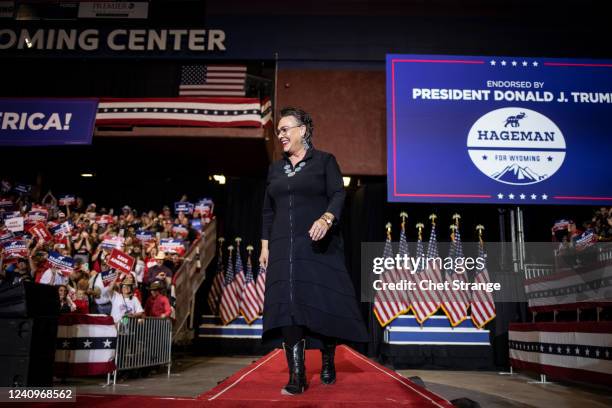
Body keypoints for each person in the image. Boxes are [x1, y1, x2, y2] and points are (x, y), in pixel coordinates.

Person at [259, 107, 368, 395]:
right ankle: (297, 376)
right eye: (278, 131)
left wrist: (326, 219)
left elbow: (338, 194)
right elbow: (268, 210)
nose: (280, 135)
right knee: (288, 305)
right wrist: (265, 246)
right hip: (283, 247)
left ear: (303, 130)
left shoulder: (324, 161)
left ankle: (328, 359)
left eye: (285, 129)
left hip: (318, 245)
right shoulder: (274, 169)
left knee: (321, 302)